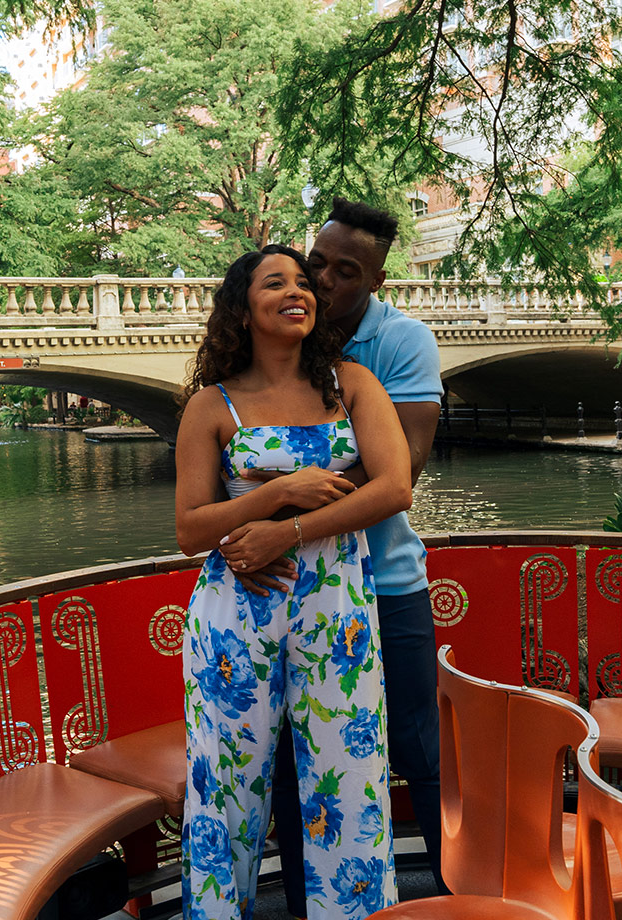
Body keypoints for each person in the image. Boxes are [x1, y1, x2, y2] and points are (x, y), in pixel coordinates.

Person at [176, 245, 415, 920]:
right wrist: (280, 491)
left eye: (304, 283)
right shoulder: (211, 406)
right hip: (236, 612)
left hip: (338, 607)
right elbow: (191, 529)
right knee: (226, 787)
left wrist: (289, 530)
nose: (297, 292)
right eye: (274, 283)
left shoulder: (351, 384)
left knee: (351, 779)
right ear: (242, 308)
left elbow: (395, 487)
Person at [254, 201, 447, 911]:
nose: (325, 280)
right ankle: (305, 904)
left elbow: (407, 465)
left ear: (376, 280)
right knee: (292, 761)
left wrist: (288, 515)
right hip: (288, 591)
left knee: (419, 751)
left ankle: (450, 894)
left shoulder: (401, 342)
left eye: (346, 271)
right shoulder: (282, 338)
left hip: (386, 583)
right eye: (318, 263)